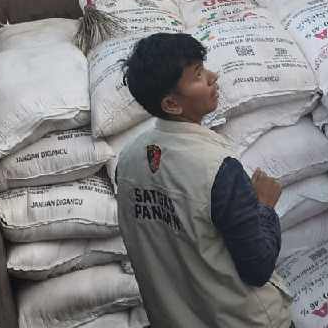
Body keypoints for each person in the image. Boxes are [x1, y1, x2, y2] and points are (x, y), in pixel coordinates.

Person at [114, 33, 291, 328]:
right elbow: (258, 267)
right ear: (172, 104)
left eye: (203, 68)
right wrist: (264, 207)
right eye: (198, 75)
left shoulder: (129, 160)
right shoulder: (218, 169)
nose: (213, 77)